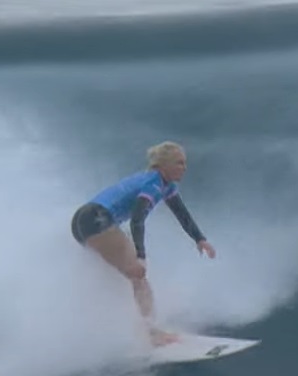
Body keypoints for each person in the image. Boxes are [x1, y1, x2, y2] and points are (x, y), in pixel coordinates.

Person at [70, 141, 216, 345]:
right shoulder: (154, 184)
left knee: (113, 279)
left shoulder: (166, 185)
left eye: (185, 163)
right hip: (97, 219)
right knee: (138, 274)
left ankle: (93, 328)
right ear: (163, 165)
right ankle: (152, 334)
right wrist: (141, 255)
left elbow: (181, 213)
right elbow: (138, 219)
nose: (185, 167)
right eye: (179, 163)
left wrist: (200, 239)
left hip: (82, 221)